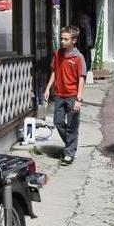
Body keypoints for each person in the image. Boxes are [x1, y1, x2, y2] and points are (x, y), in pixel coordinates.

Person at [43, 26, 86, 166]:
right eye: (61, 38)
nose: (62, 41)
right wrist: (48, 88)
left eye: (65, 39)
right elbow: (54, 72)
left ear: (73, 40)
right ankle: (71, 145)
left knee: (72, 125)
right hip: (59, 95)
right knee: (58, 122)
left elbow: (81, 78)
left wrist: (79, 98)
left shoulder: (78, 57)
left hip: (73, 95)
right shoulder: (57, 54)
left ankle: (69, 153)